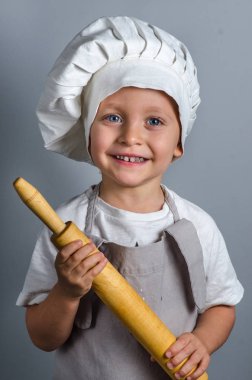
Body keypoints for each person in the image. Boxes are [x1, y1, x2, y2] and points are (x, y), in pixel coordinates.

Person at [16, 16, 243, 380]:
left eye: (154, 121)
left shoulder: (197, 226)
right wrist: (67, 291)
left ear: (180, 142)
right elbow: (42, 337)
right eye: (112, 117)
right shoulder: (65, 225)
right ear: (87, 133)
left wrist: (202, 341)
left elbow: (221, 307)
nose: (130, 136)